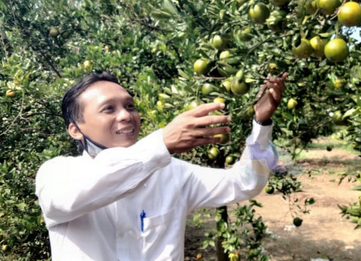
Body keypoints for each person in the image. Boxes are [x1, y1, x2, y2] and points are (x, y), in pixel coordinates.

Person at [35, 71, 287, 260]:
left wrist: (260, 126)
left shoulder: (171, 173)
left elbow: (244, 183)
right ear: (75, 130)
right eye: (108, 109)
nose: (125, 115)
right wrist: (161, 143)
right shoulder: (58, 174)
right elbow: (71, 198)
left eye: (129, 106)